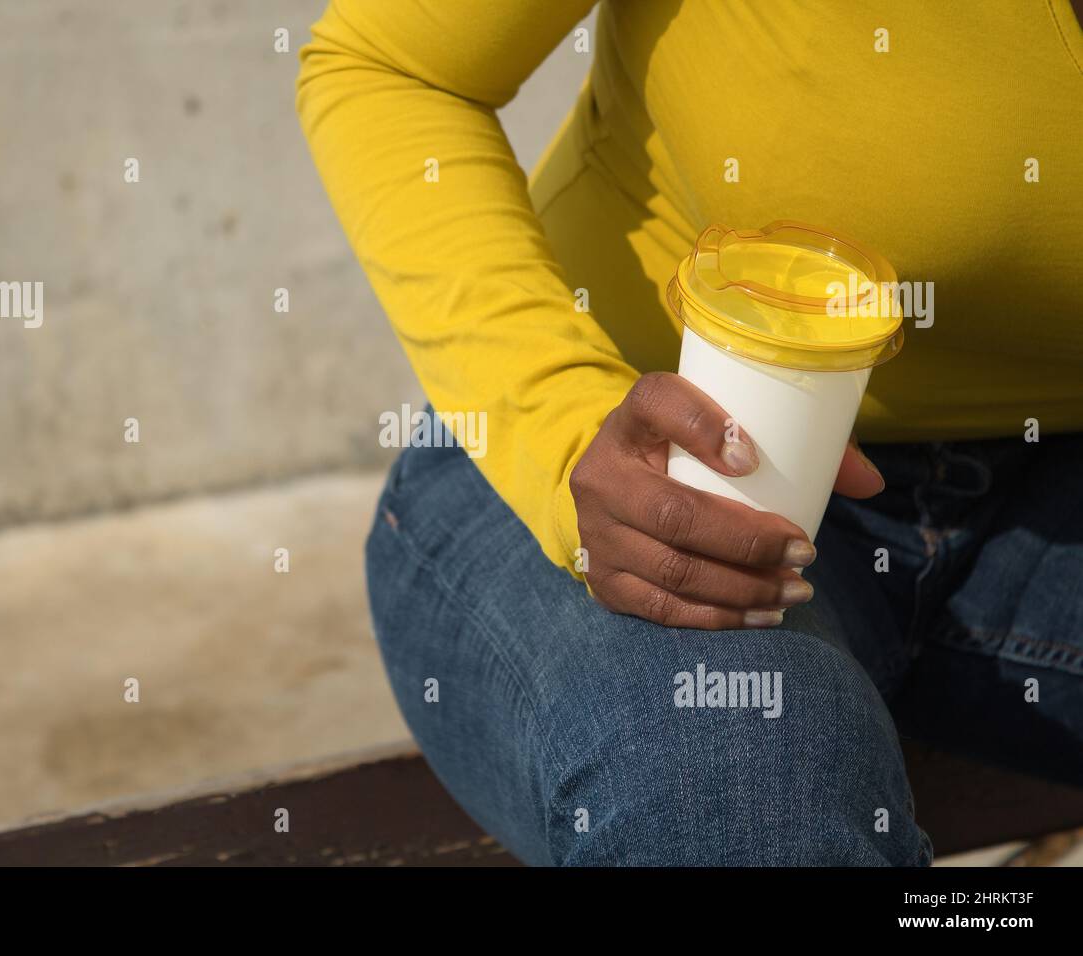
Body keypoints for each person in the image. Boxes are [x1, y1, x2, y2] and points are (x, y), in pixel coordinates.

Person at [295, 0, 1083, 865]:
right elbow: (389, 64)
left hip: (1048, 507)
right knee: (739, 784)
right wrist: (563, 426)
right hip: (609, 460)